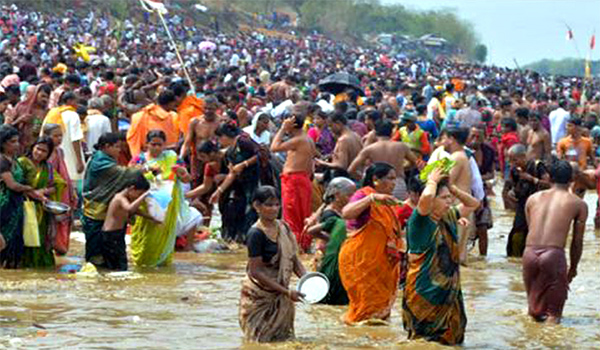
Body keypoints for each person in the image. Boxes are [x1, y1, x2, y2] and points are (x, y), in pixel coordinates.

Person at [403, 166, 480, 346]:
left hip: (449, 292)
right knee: (424, 340)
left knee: (453, 337)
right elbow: (426, 198)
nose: (449, 201)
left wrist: (453, 188)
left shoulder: (449, 216)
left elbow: (473, 204)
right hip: (425, 293)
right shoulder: (420, 221)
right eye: (444, 198)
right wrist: (432, 181)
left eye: (449, 198)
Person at [239, 186, 307, 343]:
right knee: (258, 340)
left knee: (283, 339)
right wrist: (286, 292)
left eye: (277, 204)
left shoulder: (284, 227)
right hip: (259, 297)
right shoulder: (255, 233)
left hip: (281, 294)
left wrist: (308, 280)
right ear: (257, 206)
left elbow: (293, 259)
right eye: (269, 205)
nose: (274, 208)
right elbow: (256, 271)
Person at [523, 160, 587, 324]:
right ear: (572, 178)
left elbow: (531, 229)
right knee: (553, 315)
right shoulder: (578, 203)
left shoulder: (532, 199)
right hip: (553, 255)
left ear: (549, 177)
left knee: (534, 311)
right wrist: (573, 268)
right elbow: (577, 241)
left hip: (529, 254)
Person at [338, 162, 403, 324]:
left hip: (382, 264)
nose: (394, 183)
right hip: (361, 263)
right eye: (390, 178)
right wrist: (372, 198)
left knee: (380, 312)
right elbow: (346, 213)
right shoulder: (364, 194)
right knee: (363, 310)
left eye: (395, 179)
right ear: (375, 179)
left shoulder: (388, 202)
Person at [130, 130, 201, 264]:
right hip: (145, 205)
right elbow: (128, 178)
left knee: (164, 234)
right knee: (144, 235)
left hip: (167, 206)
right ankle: (142, 261)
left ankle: (161, 263)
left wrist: (182, 174)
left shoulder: (173, 158)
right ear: (147, 144)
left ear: (165, 145)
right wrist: (141, 170)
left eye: (160, 145)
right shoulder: (139, 160)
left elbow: (186, 180)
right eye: (153, 144)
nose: (156, 147)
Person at [82, 133, 143, 266]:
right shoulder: (100, 162)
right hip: (95, 213)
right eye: (116, 147)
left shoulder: (105, 158)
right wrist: (144, 169)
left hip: (104, 213)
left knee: (107, 255)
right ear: (106, 146)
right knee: (95, 255)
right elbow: (124, 173)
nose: (119, 150)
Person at [304, 177, 356, 305]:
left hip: (332, 258)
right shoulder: (330, 215)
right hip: (328, 259)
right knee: (328, 297)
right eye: (349, 195)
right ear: (337, 195)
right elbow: (314, 232)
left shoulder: (337, 211)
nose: (352, 199)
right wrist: (336, 240)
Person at [270, 108, 316, 252]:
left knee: (292, 218)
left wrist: (283, 129)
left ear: (292, 124)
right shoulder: (307, 138)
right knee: (302, 216)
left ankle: (295, 251)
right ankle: (303, 247)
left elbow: (274, 147)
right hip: (302, 180)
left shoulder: (298, 140)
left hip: (294, 182)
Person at [0, 125, 46, 268]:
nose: (17, 145)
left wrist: (39, 196)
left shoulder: (15, 159)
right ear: (2, 143)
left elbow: (21, 184)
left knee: (13, 242)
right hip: (4, 205)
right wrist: (31, 189)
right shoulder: (1, 161)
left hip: (16, 206)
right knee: (2, 243)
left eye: (17, 141)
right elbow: (12, 185)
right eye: (12, 142)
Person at [209, 122, 263, 242]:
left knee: (252, 209)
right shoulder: (229, 153)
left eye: (219, 138)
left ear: (225, 136)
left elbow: (259, 154)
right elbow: (231, 174)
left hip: (256, 180)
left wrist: (244, 164)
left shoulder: (243, 141)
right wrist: (218, 192)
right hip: (242, 184)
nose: (219, 141)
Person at [18, 137, 65, 268]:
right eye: (38, 149)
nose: (39, 153)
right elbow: (18, 185)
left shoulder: (47, 167)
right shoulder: (22, 163)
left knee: (41, 237)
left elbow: (59, 183)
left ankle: (41, 267)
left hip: (41, 209)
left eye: (44, 151)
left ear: (48, 154)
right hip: (23, 206)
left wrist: (43, 191)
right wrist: (35, 194)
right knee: (25, 236)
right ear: (33, 147)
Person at [349, 119, 419, 200]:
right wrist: (403, 168)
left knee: (378, 211)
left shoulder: (370, 149)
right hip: (397, 183)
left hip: (378, 184)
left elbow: (351, 169)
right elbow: (416, 162)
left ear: (375, 132)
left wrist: (363, 178)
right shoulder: (401, 146)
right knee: (399, 210)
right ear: (392, 133)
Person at [505, 144, 550, 257]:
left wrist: (532, 179)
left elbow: (549, 185)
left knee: (537, 234)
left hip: (539, 205)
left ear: (524, 157)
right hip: (522, 205)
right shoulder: (515, 170)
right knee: (517, 234)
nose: (512, 163)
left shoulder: (538, 166)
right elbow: (510, 186)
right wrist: (511, 193)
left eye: (515, 160)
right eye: (510, 160)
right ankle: (515, 260)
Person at [101, 174, 150, 271]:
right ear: (132, 188)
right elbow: (130, 209)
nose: (138, 197)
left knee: (119, 264)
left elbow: (136, 210)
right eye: (139, 194)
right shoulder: (120, 198)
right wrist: (145, 195)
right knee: (118, 266)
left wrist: (151, 217)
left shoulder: (125, 199)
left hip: (116, 234)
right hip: (111, 235)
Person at [42, 92, 85, 198]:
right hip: (70, 159)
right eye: (76, 101)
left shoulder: (52, 113)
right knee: (70, 188)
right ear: (69, 101)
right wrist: (79, 161)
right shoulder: (73, 115)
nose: (78, 104)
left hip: (51, 156)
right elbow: (75, 139)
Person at [441, 127, 473, 264]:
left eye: (443, 138)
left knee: (453, 254)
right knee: (458, 252)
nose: (442, 142)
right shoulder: (461, 156)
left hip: (457, 207)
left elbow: (446, 184)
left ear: (451, 139)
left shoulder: (456, 157)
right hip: (462, 206)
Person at [468, 126, 496, 256]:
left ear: (484, 137)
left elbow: (492, 174)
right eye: (472, 136)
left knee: (483, 226)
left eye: (478, 137)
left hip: (481, 193)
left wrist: (478, 178)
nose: (475, 140)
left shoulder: (489, 151)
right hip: (465, 193)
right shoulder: (464, 151)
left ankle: (483, 258)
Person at [127, 89, 180, 157]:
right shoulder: (173, 116)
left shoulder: (138, 116)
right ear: (171, 103)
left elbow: (132, 140)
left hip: (148, 157)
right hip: (167, 156)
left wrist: (137, 159)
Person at [4, 83, 52, 151]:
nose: (45, 100)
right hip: (18, 146)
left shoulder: (47, 112)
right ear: (36, 95)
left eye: (47, 97)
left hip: (35, 149)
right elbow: (6, 128)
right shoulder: (21, 106)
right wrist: (19, 120)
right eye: (43, 96)